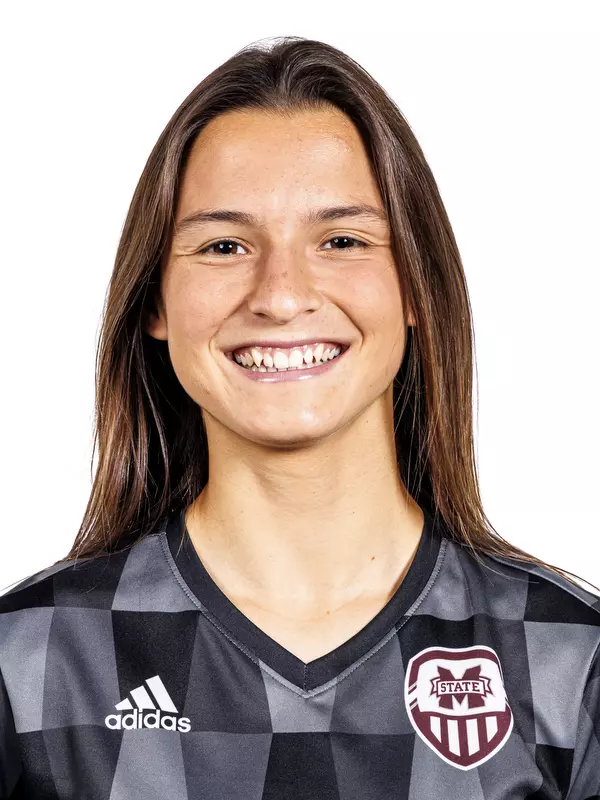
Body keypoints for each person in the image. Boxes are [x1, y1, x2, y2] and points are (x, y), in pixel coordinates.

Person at [0, 35, 598, 799]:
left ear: (416, 285)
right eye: (223, 245)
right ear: (155, 301)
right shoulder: (29, 662)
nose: (281, 294)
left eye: (342, 240)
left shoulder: (569, 659)